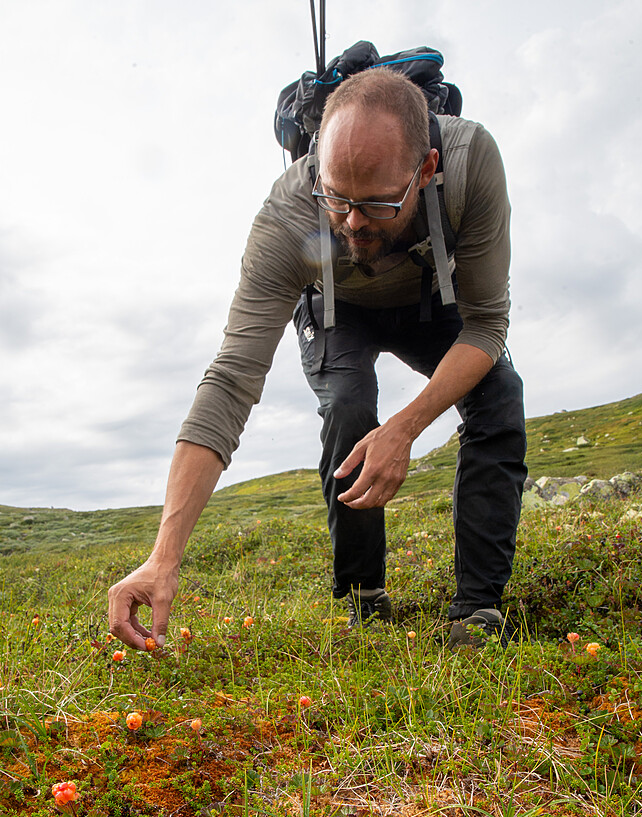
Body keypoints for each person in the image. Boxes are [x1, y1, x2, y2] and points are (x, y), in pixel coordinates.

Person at [108, 67, 527, 651]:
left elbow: (485, 325)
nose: (353, 222)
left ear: (426, 169)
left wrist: (405, 428)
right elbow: (230, 379)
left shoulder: (470, 161)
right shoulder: (287, 217)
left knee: (498, 395)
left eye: (378, 202)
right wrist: (163, 556)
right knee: (348, 403)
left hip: (431, 299)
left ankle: (477, 609)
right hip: (336, 309)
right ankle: (363, 595)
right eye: (337, 198)